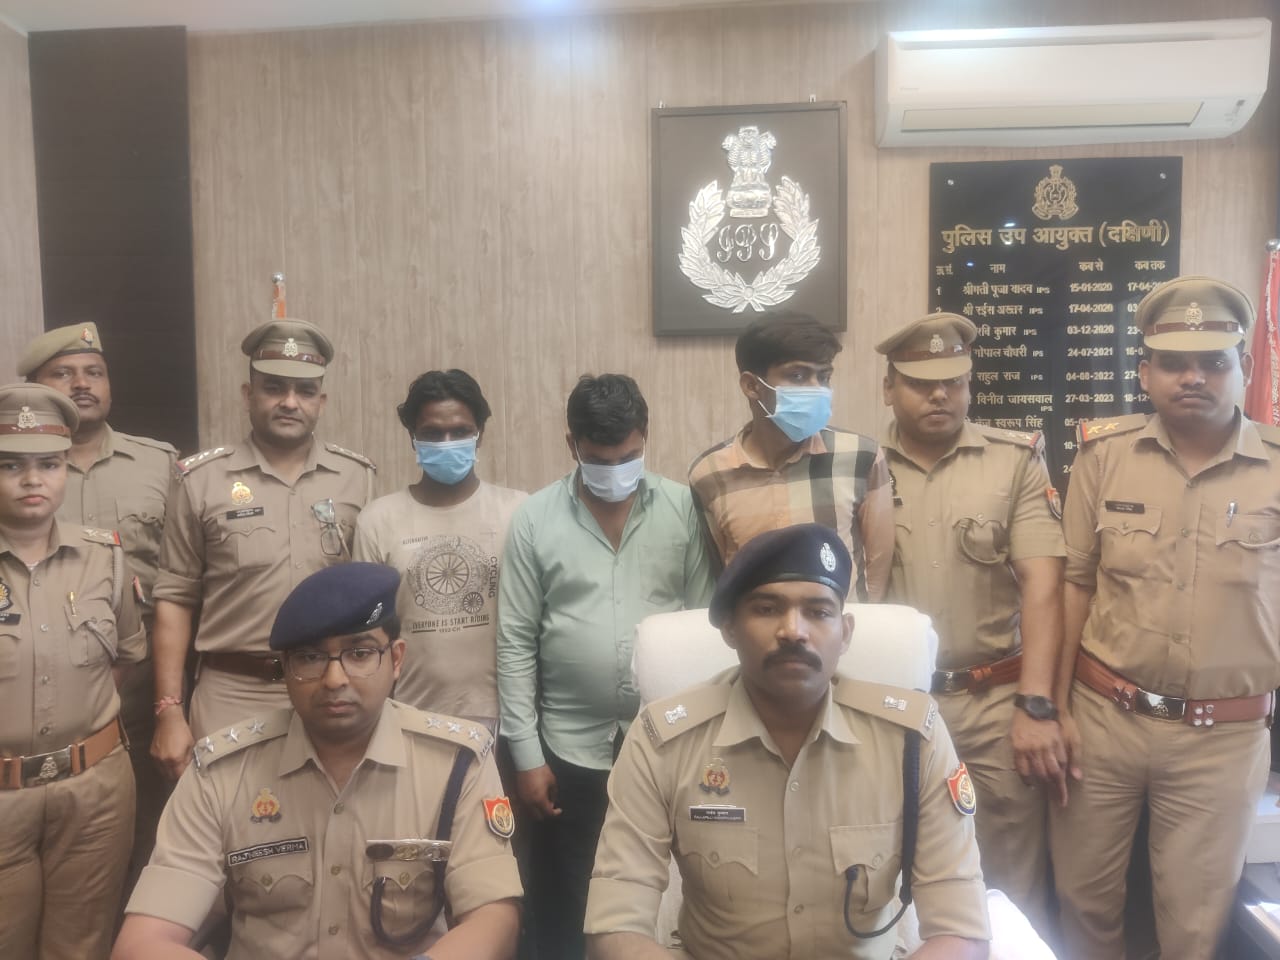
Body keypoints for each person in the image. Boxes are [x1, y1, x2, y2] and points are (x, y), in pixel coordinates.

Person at [584, 523, 991, 960]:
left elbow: (961, 931)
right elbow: (614, 927)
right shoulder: (662, 741)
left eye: (818, 611)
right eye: (766, 608)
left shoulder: (913, 740)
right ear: (730, 628)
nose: (794, 630)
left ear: (845, 632)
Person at [111, 561, 523, 960]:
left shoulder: (456, 764)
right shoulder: (222, 772)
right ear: (285, 669)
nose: (334, 679)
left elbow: (495, 919)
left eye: (359, 653)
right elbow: (141, 944)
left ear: (396, 659)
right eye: (309, 658)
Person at [1050, 275, 1280, 960]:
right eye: (1174, 362)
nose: (1193, 377)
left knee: (1194, 925)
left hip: (1223, 736)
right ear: (1145, 372)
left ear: (1244, 367)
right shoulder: (1103, 456)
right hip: (1103, 720)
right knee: (1082, 903)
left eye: (1213, 362)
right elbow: (1074, 587)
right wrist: (1054, 708)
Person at [497, 373, 715, 960]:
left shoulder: (682, 509)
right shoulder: (535, 519)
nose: (616, 470)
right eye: (599, 459)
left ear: (645, 436)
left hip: (669, 743)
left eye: (629, 456)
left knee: (664, 894)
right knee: (570, 902)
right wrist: (527, 756)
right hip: (568, 751)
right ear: (572, 444)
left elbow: (704, 628)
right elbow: (514, 641)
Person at [875, 313, 1066, 933]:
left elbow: (1044, 584)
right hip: (893, 706)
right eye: (920, 383)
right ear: (888, 388)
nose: (939, 395)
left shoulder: (1014, 462)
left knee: (1011, 880)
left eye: (953, 381)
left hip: (993, 705)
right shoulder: (858, 466)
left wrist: (1036, 706)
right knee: (893, 872)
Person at [149, 318, 376, 782]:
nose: (290, 402)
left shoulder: (358, 478)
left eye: (305, 391)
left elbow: (370, 599)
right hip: (234, 692)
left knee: (329, 814)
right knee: (229, 820)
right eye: (274, 387)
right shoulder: (200, 481)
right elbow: (174, 597)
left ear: (321, 401)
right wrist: (169, 710)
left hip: (330, 685)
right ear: (248, 394)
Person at [19, 320, 179, 901]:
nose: (82, 384)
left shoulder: (159, 464)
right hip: (47, 696)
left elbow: (185, 579)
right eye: (63, 373)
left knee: (153, 835)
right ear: (34, 388)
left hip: (146, 685)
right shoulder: (16, 469)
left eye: (94, 372)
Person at [0, 383, 145, 960]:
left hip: (95, 791)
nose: (32, 480)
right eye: (10, 465)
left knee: (82, 945)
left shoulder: (104, 556)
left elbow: (122, 661)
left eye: (49, 464)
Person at [354, 369, 526, 728]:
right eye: (433, 433)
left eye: (460, 432)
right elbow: (367, 636)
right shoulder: (378, 521)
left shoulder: (519, 512)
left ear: (480, 435)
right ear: (413, 438)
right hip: (410, 718)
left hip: (505, 720)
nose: (447, 442)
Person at [688, 313, 894, 600]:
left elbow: (877, 567)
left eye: (823, 377)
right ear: (751, 386)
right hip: (755, 627)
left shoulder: (861, 456)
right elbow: (720, 573)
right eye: (797, 376)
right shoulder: (709, 473)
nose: (816, 389)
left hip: (842, 626)